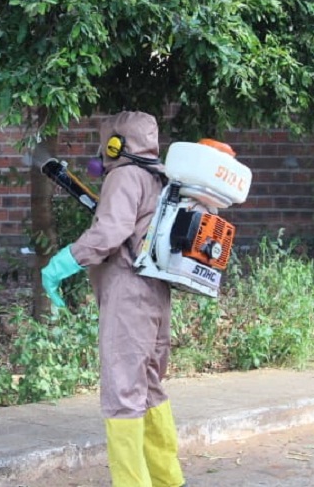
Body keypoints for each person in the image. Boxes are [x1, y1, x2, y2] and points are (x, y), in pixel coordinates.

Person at [41, 111, 185, 487]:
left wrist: (63, 262)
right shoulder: (161, 176)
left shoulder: (124, 175)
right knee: (150, 387)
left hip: (128, 294)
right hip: (155, 293)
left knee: (123, 392)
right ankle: (169, 480)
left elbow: (111, 231)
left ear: (116, 143)